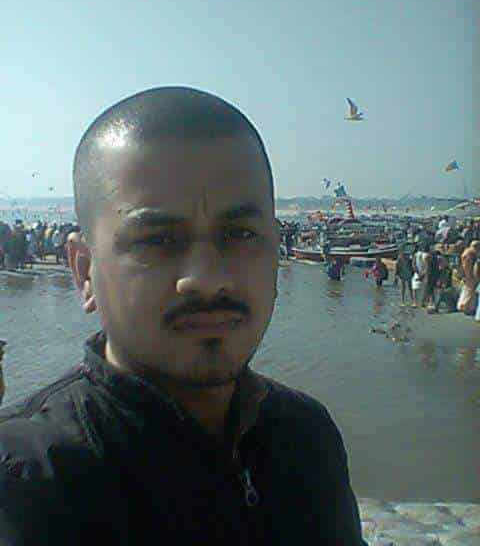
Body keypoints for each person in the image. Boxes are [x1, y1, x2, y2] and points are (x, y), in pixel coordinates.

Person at [0, 87, 366, 545]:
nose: (207, 279)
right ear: (84, 270)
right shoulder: (26, 481)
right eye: (158, 240)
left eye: (239, 234)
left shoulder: (305, 436)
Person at [457, 240, 480, 315]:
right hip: (470, 275)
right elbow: (468, 266)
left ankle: (462, 305)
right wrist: (470, 275)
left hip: (466, 274)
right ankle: (466, 307)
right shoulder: (470, 253)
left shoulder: (466, 252)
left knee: (466, 290)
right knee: (470, 291)